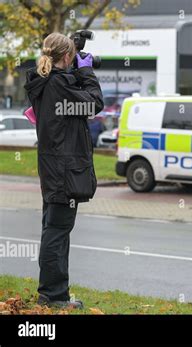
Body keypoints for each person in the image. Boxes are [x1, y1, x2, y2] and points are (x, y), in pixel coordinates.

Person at [24, 32, 104, 309]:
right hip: (64, 170)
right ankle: (53, 296)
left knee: (54, 229)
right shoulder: (59, 85)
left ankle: (54, 292)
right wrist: (87, 72)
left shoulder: (45, 82)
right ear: (67, 57)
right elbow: (94, 104)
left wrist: (73, 60)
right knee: (57, 231)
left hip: (53, 168)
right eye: (72, 55)